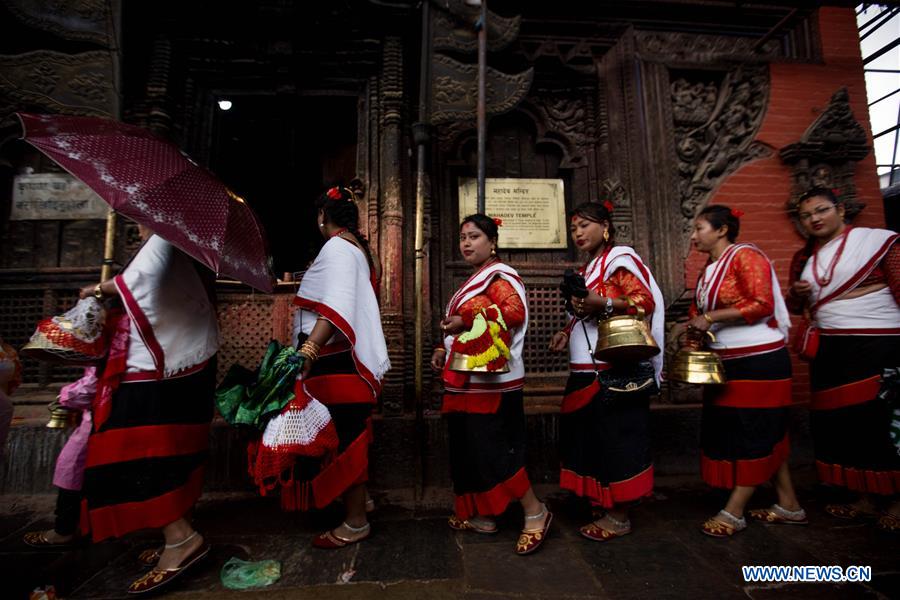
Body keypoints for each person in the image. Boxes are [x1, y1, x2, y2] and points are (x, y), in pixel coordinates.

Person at [78, 224, 220, 594]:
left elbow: (141, 283)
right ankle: (180, 525)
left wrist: (98, 288)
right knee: (173, 449)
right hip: (182, 358)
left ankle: (180, 538)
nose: (135, 224)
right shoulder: (182, 242)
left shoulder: (162, 237)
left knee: (135, 453)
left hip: (155, 364)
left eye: (137, 217)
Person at [250, 185, 390, 548]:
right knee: (349, 433)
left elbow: (335, 306)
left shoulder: (338, 248)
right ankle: (363, 503)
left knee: (346, 438)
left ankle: (356, 522)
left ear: (322, 218)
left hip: (336, 360)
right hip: (344, 360)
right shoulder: (358, 249)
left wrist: (309, 351)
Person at [430, 214, 551, 555]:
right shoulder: (477, 279)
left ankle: (535, 511)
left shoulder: (499, 277)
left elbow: (513, 313)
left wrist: (465, 319)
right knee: (469, 448)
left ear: (492, 242)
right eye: (463, 237)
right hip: (467, 376)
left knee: (494, 449)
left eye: (474, 237)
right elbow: (459, 327)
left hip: (492, 382)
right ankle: (486, 513)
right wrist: (443, 346)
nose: (466, 243)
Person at [681, 205, 805, 538]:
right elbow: (700, 307)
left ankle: (735, 510)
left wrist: (710, 318)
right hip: (728, 360)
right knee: (755, 432)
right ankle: (789, 503)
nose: (694, 236)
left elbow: (761, 303)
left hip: (760, 358)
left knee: (755, 432)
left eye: (700, 228)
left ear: (722, 230)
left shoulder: (746, 256)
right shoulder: (711, 268)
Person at [548, 201, 665, 542]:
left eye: (585, 225)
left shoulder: (620, 261)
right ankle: (603, 499)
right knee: (591, 438)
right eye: (573, 229)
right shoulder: (591, 268)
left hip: (615, 365)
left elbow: (644, 303)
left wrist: (605, 303)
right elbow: (587, 314)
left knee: (618, 439)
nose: (578, 233)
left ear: (606, 227)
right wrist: (566, 331)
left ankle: (620, 514)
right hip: (586, 368)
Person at [786, 187, 900, 532]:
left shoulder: (877, 243)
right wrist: (796, 294)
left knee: (881, 422)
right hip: (832, 348)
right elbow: (795, 308)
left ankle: (897, 502)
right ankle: (864, 497)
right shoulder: (803, 258)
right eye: (806, 216)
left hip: (879, 344)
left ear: (840, 209)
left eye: (821, 210)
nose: (814, 219)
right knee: (846, 425)